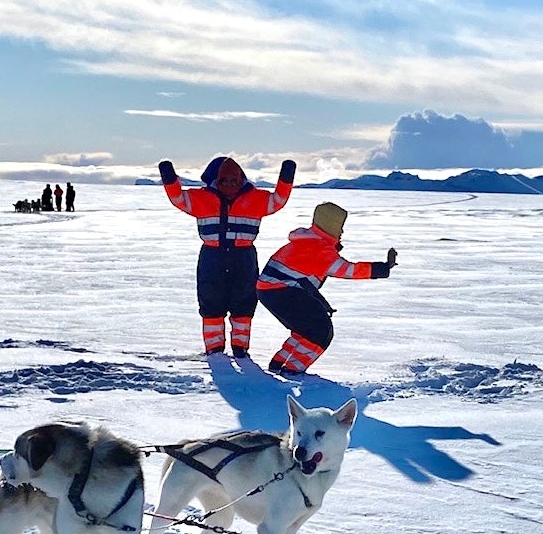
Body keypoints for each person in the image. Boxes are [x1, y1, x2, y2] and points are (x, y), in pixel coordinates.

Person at [161, 154, 297, 356]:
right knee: (210, 302)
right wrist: (169, 177)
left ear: (242, 180)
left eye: (234, 180)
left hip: (243, 257)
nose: (230, 185)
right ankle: (214, 348)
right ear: (218, 180)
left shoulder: (256, 199)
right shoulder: (201, 198)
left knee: (244, 301)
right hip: (211, 257)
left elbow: (278, 200)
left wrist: (287, 175)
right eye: (225, 180)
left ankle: (240, 347)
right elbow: (178, 199)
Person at [257, 202, 396, 376]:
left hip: (271, 291)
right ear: (331, 226)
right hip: (282, 292)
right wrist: (382, 268)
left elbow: (302, 281)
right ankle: (292, 371)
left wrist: (321, 304)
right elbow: (347, 270)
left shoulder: (305, 242)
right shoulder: (319, 248)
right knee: (320, 331)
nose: (342, 232)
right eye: (341, 227)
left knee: (305, 328)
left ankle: (278, 364)